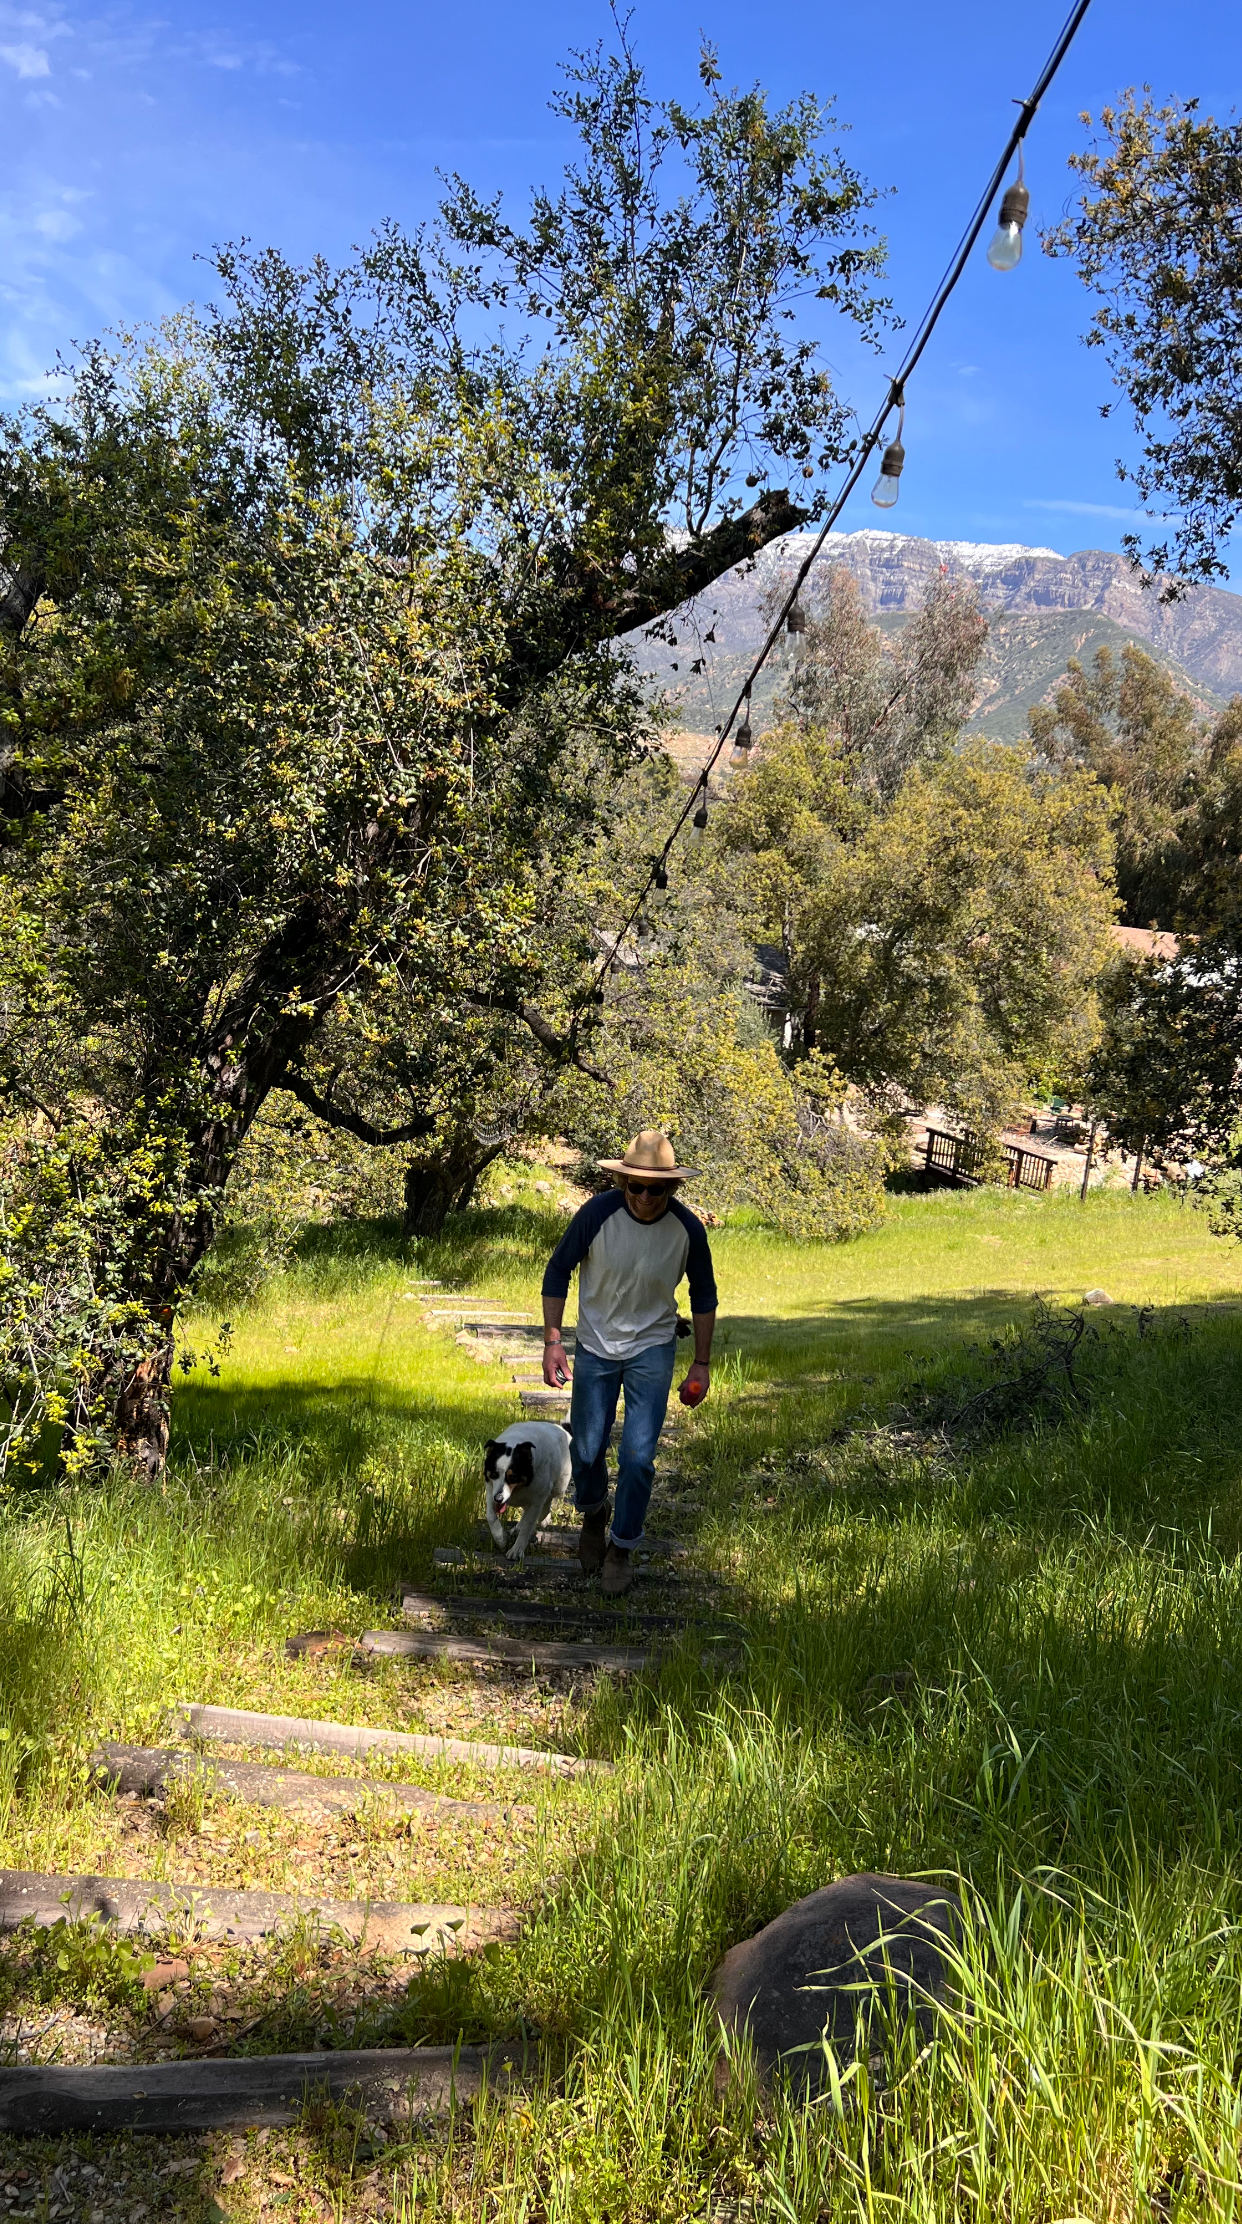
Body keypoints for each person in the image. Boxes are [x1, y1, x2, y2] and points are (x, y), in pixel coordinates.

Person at [540, 1129, 717, 1594]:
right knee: (585, 1449)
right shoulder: (597, 1214)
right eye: (633, 1186)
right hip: (596, 1345)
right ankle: (594, 1513)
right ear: (621, 1184)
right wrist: (553, 1341)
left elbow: (704, 1295)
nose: (643, 1197)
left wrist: (701, 1363)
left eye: (654, 1189)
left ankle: (622, 1547)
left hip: (652, 1347)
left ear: (671, 1188)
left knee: (638, 1458)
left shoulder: (687, 1230)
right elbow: (558, 1269)